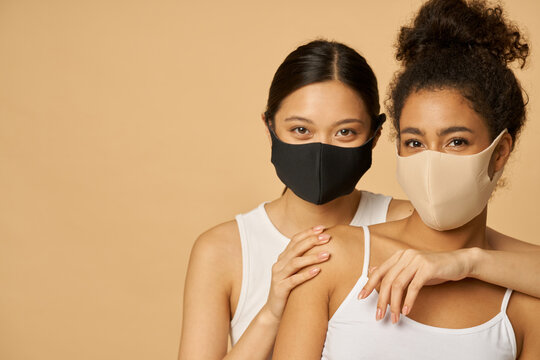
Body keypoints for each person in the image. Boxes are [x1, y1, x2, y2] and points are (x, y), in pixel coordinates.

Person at [272, 0, 540, 359]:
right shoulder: (331, 256)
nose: (431, 160)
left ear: (500, 151)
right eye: (414, 142)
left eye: (456, 141)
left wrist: (466, 263)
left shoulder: (522, 295)